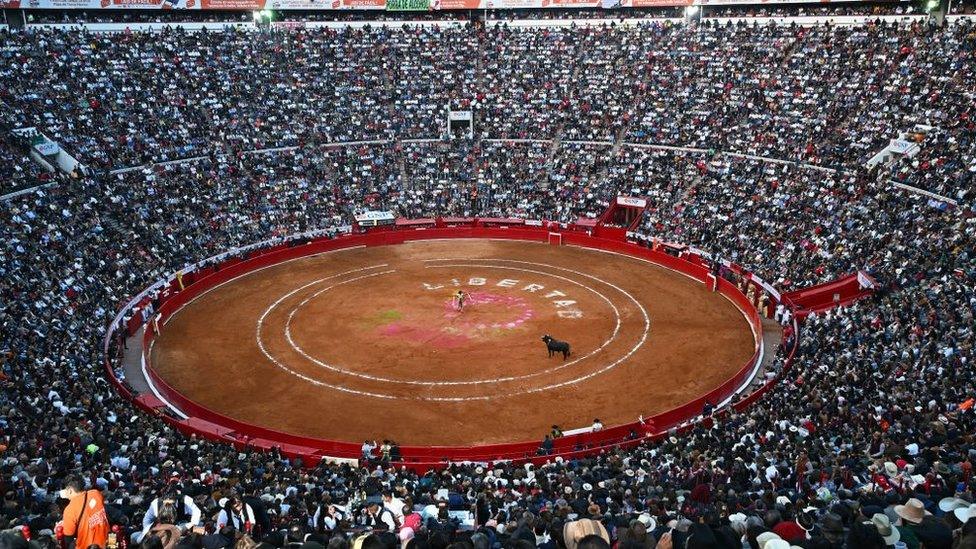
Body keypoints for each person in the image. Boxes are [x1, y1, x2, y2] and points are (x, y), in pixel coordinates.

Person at [59, 476, 110, 549]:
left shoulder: (69, 510)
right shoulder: (96, 493)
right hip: (105, 541)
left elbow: (68, 537)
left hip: (86, 546)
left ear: (70, 490)